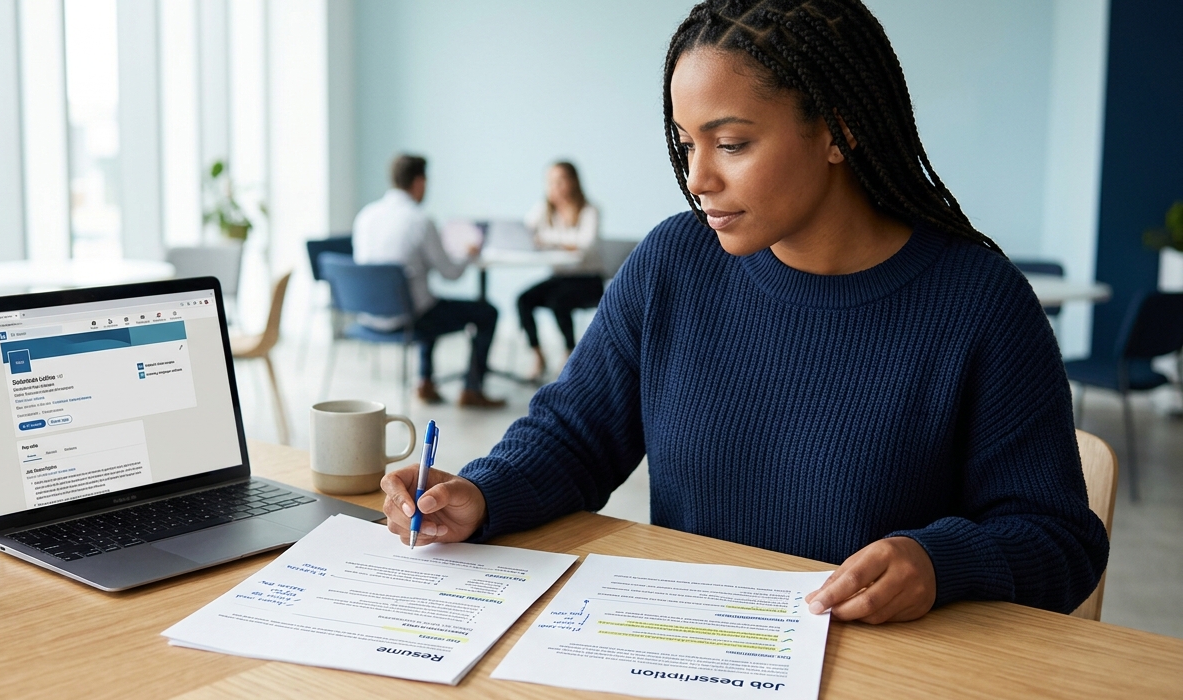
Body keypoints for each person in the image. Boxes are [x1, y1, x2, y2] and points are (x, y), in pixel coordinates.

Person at [378, 0, 1109, 623]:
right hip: (694, 653)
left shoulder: (980, 305)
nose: (697, 178)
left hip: (892, 690)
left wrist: (941, 562)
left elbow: (1056, 538)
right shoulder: (674, 263)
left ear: (838, 129)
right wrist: (481, 491)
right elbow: (575, 433)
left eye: (731, 143)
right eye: (685, 143)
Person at [352, 154, 505, 408]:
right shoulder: (420, 220)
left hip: (368, 315)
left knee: (426, 299)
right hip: (407, 318)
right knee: (486, 312)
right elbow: (451, 274)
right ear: (420, 181)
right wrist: (469, 254)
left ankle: (425, 382)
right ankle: (472, 388)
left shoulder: (366, 216)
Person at [516, 162, 603, 380]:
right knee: (523, 300)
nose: (555, 186)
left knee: (558, 301)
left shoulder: (589, 210)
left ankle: (570, 353)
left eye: (560, 180)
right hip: (560, 278)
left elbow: (584, 243)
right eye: (551, 182)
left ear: (573, 181)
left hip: (588, 280)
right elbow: (524, 232)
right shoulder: (544, 210)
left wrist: (546, 239)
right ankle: (537, 354)